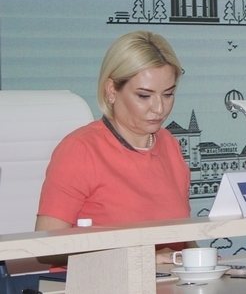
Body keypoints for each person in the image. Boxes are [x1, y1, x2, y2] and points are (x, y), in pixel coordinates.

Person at [36, 31, 191, 264]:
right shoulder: (80, 150)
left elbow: (181, 241)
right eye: (144, 96)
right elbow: (45, 249)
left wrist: (203, 260)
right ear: (111, 91)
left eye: (168, 94)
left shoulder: (170, 144)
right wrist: (141, 258)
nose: (159, 108)